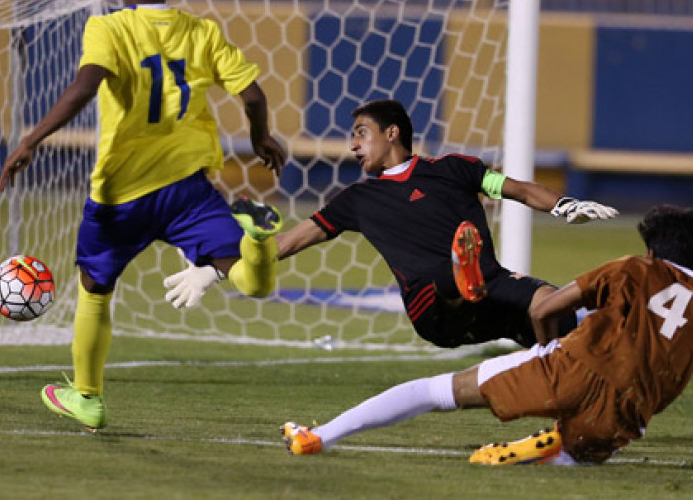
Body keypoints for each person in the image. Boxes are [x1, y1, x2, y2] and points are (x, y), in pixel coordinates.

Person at [0, 0, 285, 431]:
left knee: (95, 286)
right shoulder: (202, 32)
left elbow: (84, 88)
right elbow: (254, 97)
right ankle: (257, 241)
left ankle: (87, 397)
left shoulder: (108, 28)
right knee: (245, 278)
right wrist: (260, 138)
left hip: (122, 193)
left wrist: (31, 139)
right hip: (187, 189)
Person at [279, 204, 693, 470]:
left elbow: (544, 307)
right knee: (579, 454)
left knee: (438, 391)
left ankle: (319, 437)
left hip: (574, 364)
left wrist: (545, 349)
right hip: (632, 407)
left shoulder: (633, 267)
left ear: (651, 250)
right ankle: (549, 449)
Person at [165, 99, 617, 350]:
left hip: (490, 287)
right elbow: (286, 244)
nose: (353, 146)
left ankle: (557, 375)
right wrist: (214, 269)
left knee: (554, 309)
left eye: (361, 133)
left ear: (392, 133)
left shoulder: (455, 168)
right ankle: (464, 282)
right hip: (430, 305)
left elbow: (516, 189)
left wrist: (565, 205)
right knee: (450, 282)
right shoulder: (357, 200)